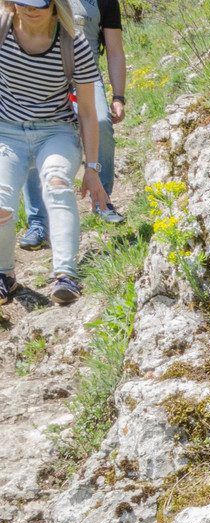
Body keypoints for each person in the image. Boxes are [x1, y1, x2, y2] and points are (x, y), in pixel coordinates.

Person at [0, 0, 109, 304]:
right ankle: (4, 275)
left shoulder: (74, 45)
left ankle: (66, 275)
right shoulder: (2, 30)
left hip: (56, 130)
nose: (29, 8)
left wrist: (92, 167)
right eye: (21, 1)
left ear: (54, 6)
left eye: (38, 3)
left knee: (58, 184)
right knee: (1, 202)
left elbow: (87, 112)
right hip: (7, 131)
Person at [17, 0, 123, 252]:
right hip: (42, 73)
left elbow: (115, 49)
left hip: (85, 75)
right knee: (34, 129)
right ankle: (38, 223)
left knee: (100, 121)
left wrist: (118, 96)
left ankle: (102, 200)